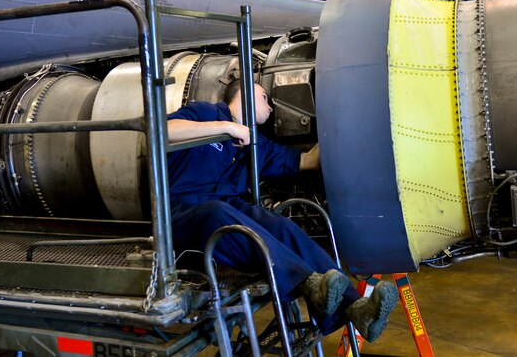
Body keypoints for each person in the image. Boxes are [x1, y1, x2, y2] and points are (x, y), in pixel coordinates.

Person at [164, 82, 398, 343]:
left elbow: (307, 160)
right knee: (219, 213)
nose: (271, 106)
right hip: (182, 215)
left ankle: (356, 308)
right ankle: (308, 282)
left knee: (278, 224)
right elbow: (164, 130)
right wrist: (227, 127)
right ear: (246, 94)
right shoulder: (206, 113)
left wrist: (337, 120)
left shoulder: (258, 144)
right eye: (264, 98)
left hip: (227, 211)